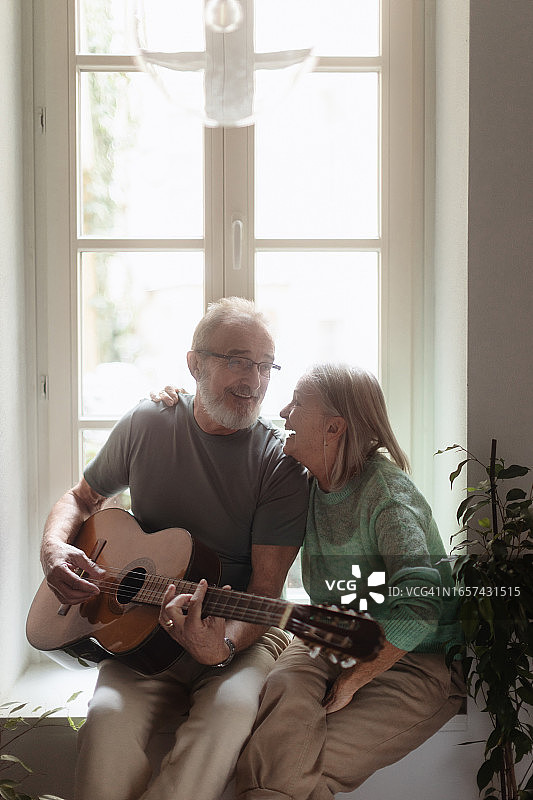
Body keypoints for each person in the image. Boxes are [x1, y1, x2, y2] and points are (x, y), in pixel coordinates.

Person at [39, 297, 309, 800]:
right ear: (194, 364)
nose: (253, 381)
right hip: (138, 631)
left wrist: (221, 645)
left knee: (229, 715)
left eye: (265, 365)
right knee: (105, 723)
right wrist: (54, 548)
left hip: (238, 634)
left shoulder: (281, 465)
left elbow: (266, 592)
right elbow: (81, 498)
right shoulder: (148, 422)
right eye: (237, 361)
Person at [233, 363, 466, 800]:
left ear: (334, 428)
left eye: (297, 403)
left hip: (415, 659)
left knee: (297, 770)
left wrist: (356, 678)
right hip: (332, 634)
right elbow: (238, 439)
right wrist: (176, 402)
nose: (283, 411)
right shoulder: (304, 484)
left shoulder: (388, 496)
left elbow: (420, 605)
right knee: (283, 693)